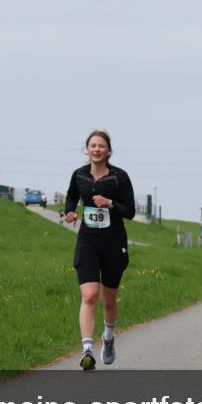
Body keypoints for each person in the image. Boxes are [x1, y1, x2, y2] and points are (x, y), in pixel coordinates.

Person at [63, 129, 136, 370]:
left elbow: (130, 211)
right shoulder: (79, 175)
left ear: (108, 151)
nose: (96, 149)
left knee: (109, 301)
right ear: (87, 149)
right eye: (92, 145)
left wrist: (111, 203)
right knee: (90, 295)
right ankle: (86, 350)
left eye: (101, 146)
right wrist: (71, 212)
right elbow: (71, 198)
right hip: (88, 240)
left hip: (114, 242)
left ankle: (108, 338)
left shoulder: (119, 177)